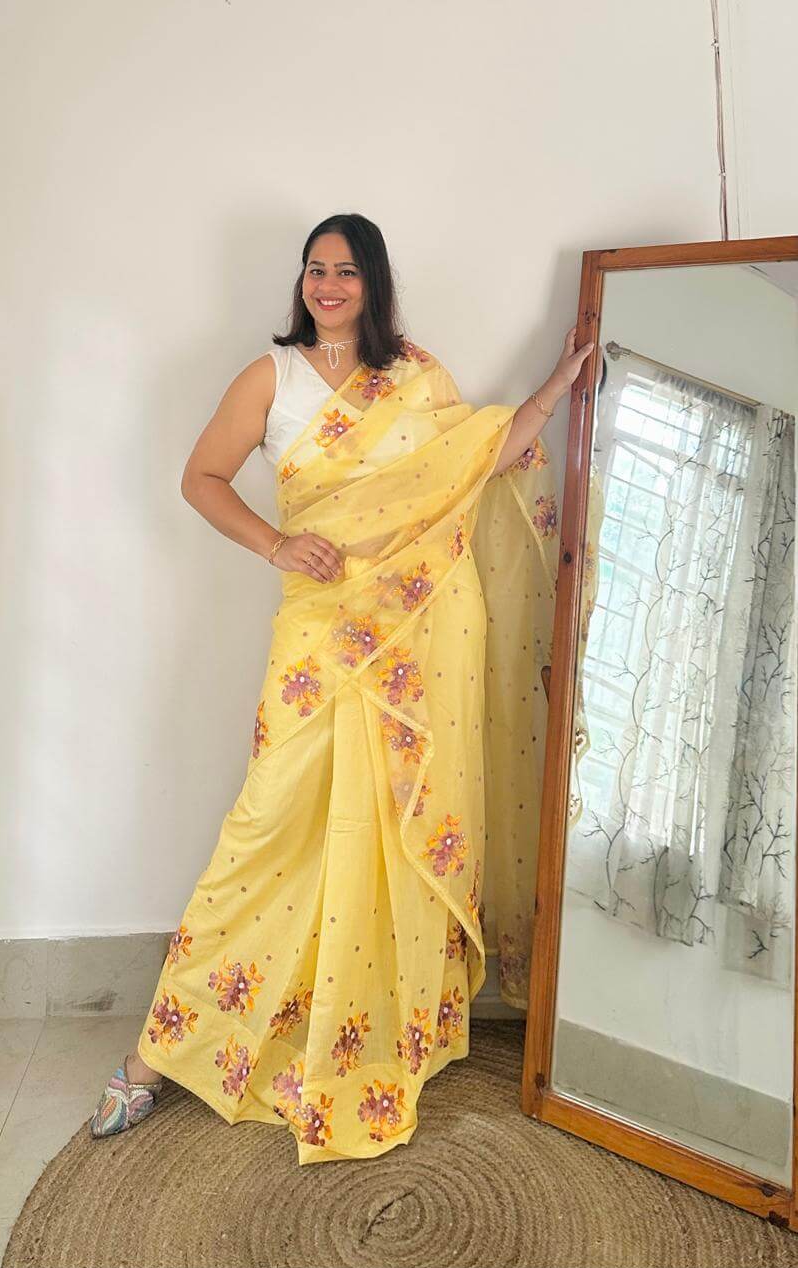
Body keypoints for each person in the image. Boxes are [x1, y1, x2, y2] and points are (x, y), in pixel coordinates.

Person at [89, 213, 593, 1163]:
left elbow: (475, 461)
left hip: (417, 635)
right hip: (319, 630)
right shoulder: (269, 376)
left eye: (346, 272)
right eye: (315, 269)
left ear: (373, 284)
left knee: (391, 821)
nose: (327, 285)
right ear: (301, 281)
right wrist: (275, 542)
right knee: (268, 823)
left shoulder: (415, 376)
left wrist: (552, 391)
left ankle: (376, 1032)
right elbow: (201, 478)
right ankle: (158, 1051)